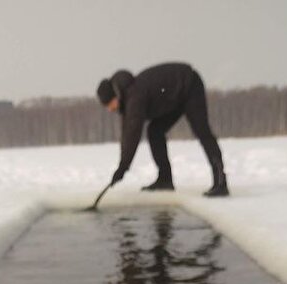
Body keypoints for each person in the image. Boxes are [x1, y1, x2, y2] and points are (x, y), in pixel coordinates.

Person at [96, 62, 229, 197]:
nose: (109, 109)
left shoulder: (135, 97)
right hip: (175, 97)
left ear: (115, 96)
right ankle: (165, 179)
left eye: (109, 104)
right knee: (155, 131)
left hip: (189, 85)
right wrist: (122, 166)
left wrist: (123, 167)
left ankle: (220, 182)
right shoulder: (127, 99)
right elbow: (126, 134)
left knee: (202, 131)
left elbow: (132, 134)